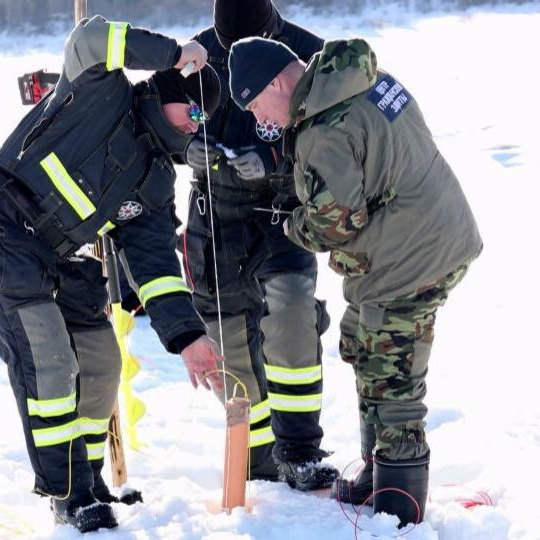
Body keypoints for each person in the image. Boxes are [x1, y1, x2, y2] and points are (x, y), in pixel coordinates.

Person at [0, 16, 222, 533]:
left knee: (100, 362)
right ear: (166, 92)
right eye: (194, 109)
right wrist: (172, 51)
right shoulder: (101, 88)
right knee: (48, 359)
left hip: (56, 255)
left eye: (203, 120)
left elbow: (156, 267)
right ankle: (66, 493)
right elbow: (91, 37)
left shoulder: (156, 179)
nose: (195, 125)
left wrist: (188, 336)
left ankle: (88, 478)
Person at [228, 36, 483, 526]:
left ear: (281, 80)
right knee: (363, 343)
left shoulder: (323, 130)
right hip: (433, 233)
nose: (264, 119)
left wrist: (291, 222)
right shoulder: (363, 80)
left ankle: (399, 508)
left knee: (392, 375)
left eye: (259, 103)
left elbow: (334, 225)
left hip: (412, 257)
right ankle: (378, 471)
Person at [180, 0, 338, 490]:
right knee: (229, 339)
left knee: (290, 314)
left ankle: (300, 450)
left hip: (281, 211)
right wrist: (184, 147)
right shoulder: (194, 55)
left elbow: (331, 135)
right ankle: (256, 452)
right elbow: (159, 119)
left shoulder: (309, 55)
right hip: (216, 214)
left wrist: (272, 158)